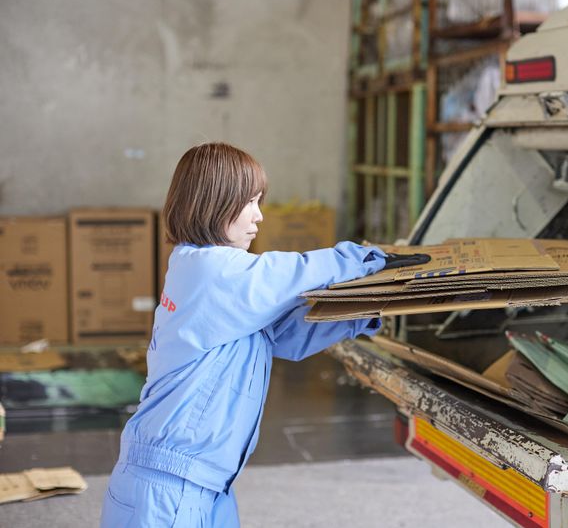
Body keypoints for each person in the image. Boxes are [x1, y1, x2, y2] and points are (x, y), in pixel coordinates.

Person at [100, 142, 389, 527]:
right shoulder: (209, 271)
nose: (259, 216)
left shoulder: (218, 287)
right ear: (213, 203)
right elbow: (290, 273)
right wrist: (366, 259)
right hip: (168, 490)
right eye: (250, 202)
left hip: (205, 483)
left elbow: (285, 337)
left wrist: (364, 311)